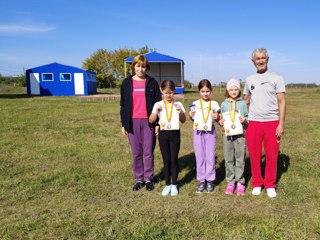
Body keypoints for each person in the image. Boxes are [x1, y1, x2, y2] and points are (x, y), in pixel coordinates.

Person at [243, 48, 286, 198]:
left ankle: (270, 184)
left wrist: (281, 123)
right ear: (253, 61)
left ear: (267, 59)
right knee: (254, 154)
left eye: (263, 58)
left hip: (271, 122)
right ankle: (256, 183)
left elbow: (281, 101)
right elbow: (245, 101)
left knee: (271, 155)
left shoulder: (277, 78)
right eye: (257, 59)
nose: (260, 61)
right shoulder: (249, 80)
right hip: (253, 123)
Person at [120, 54, 162, 191]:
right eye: (138, 66)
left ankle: (148, 178)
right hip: (132, 122)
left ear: (146, 68)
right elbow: (123, 104)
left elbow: (158, 105)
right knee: (136, 152)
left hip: (148, 121)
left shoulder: (152, 82)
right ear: (133, 67)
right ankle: (139, 179)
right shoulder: (126, 83)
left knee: (148, 151)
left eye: (143, 66)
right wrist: (123, 124)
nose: (140, 69)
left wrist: (157, 124)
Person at [149, 80, 186, 196]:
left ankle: (174, 184)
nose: (168, 95)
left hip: (175, 134)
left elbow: (183, 120)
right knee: (166, 160)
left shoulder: (178, 104)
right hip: (163, 134)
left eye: (170, 92)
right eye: (165, 92)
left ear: (174, 91)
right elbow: (151, 120)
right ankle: (167, 184)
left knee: (174, 159)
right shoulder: (158, 104)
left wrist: (180, 113)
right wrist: (156, 112)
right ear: (161, 91)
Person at [189, 79, 220, 193]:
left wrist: (217, 116)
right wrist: (191, 115)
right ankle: (202, 180)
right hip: (198, 132)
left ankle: (210, 180)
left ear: (211, 91)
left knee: (210, 156)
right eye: (203, 91)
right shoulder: (195, 103)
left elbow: (219, 117)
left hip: (210, 132)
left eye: (207, 91)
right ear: (199, 91)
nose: (205, 94)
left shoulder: (215, 104)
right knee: (200, 156)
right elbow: (192, 117)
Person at [219, 78, 248, 196]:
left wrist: (245, 119)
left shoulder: (243, 103)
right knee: (229, 158)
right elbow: (221, 118)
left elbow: (247, 116)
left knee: (240, 158)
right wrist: (220, 121)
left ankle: (240, 181)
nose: (234, 91)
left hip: (240, 135)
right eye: (231, 89)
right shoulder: (224, 104)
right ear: (227, 90)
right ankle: (230, 181)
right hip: (228, 135)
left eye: (236, 89)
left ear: (239, 90)